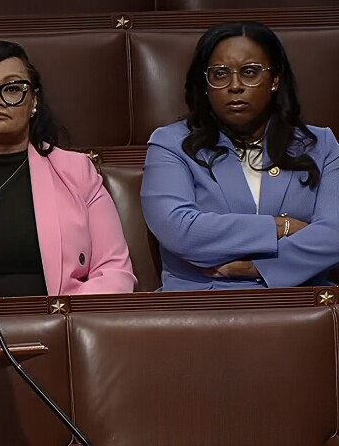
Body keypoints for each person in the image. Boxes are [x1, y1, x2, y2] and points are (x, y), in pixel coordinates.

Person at [141, 21, 339, 290]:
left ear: (275, 80)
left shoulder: (320, 145)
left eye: (250, 72)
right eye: (220, 74)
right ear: (206, 83)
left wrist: (257, 267)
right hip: (199, 307)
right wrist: (281, 227)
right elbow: (179, 230)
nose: (235, 86)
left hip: (299, 303)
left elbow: (335, 234)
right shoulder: (172, 144)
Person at [0, 40, 136, 296]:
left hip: (64, 322)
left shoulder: (77, 170)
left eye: (13, 88)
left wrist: (66, 325)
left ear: (34, 101)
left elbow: (115, 270)